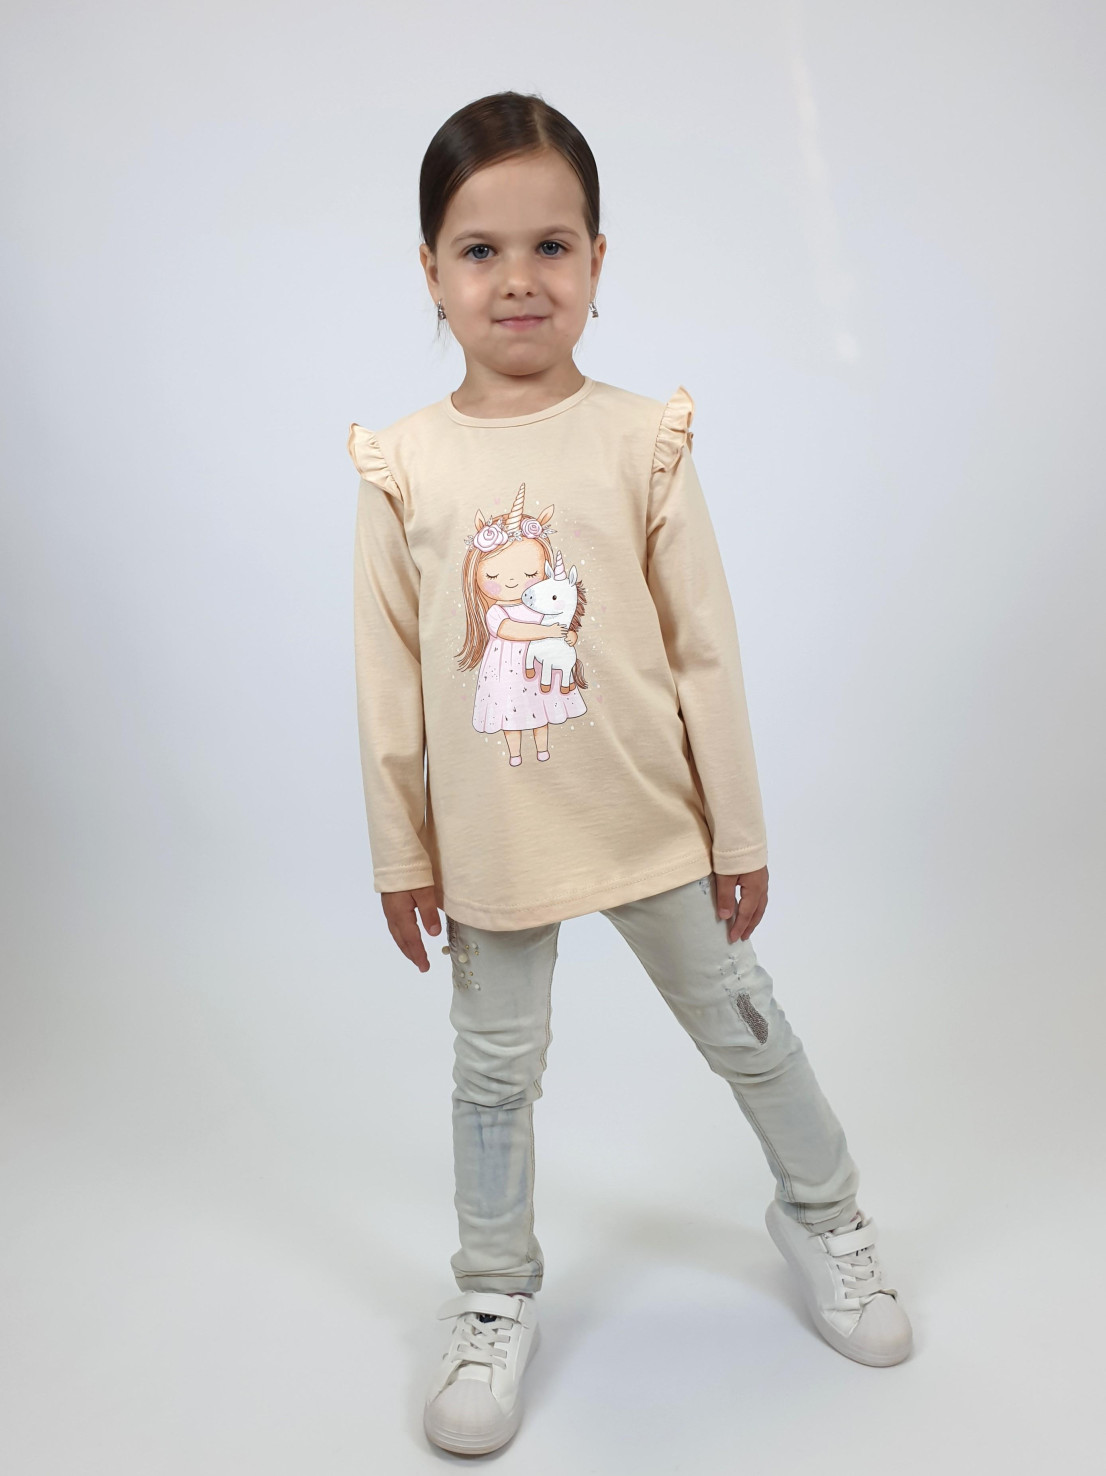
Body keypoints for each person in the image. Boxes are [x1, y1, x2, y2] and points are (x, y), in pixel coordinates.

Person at [349, 89, 913, 1458]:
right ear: (429, 270)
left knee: (746, 1026)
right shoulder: (404, 466)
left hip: (653, 823)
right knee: (493, 1076)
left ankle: (825, 1213)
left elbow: (704, 651)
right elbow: (386, 683)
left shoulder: (640, 438)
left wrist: (738, 830)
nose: (518, 279)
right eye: (480, 250)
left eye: (551, 246)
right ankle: (494, 1289)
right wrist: (403, 852)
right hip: (493, 842)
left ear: (598, 260)